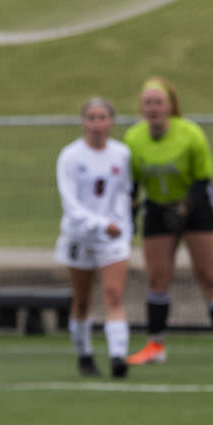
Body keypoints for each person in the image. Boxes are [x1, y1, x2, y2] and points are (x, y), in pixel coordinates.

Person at [124, 76, 213, 366]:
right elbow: (131, 184)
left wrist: (185, 207)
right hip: (157, 208)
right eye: (148, 103)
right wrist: (129, 212)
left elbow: (203, 179)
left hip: (196, 207)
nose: (153, 108)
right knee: (157, 278)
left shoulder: (189, 133)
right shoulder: (133, 138)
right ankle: (155, 344)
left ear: (170, 106)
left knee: (209, 276)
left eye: (158, 102)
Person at [55, 98, 135, 378]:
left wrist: (123, 227)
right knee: (82, 300)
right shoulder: (71, 156)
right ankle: (85, 355)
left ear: (111, 121)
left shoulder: (122, 154)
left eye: (102, 117)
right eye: (92, 117)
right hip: (81, 235)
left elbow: (125, 194)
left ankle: (117, 356)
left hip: (113, 237)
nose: (97, 123)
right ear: (83, 122)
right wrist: (100, 224)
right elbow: (71, 203)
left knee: (114, 294)